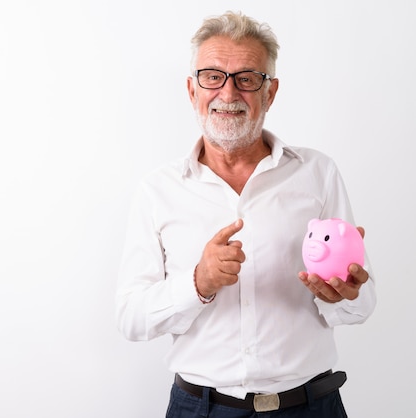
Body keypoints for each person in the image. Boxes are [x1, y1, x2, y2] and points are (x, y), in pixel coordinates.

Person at [115, 11, 376, 418]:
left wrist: (344, 295)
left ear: (270, 93)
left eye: (247, 78)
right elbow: (130, 317)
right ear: (192, 90)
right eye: (212, 76)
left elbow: (361, 305)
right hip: (200, 408)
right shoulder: (157, 190)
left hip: (310, 406)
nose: (229, 93)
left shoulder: (317, 173)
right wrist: (197, 283)